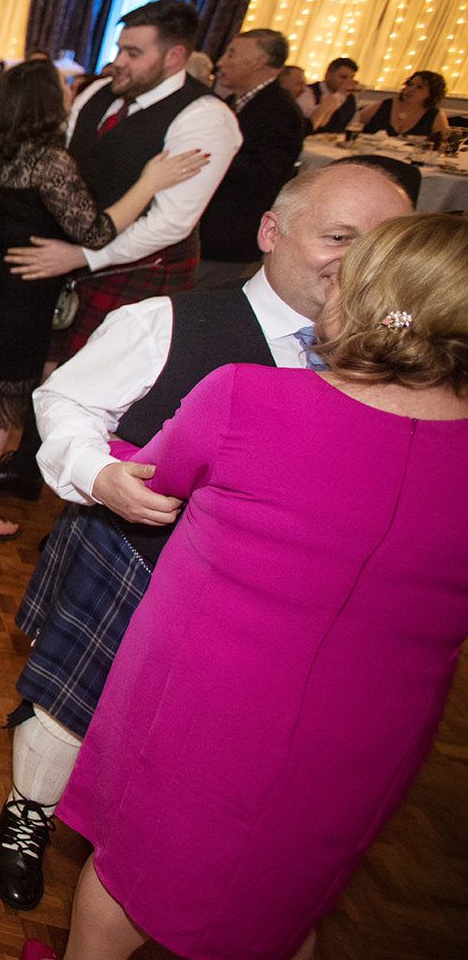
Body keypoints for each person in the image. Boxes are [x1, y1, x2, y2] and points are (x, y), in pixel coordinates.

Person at [0, 159, 412, 913]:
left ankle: (147, 830)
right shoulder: (167, 321)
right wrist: (99, 475)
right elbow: (66, 402)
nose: (358, 262)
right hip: (139, 556)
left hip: (277, 602)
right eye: (339, 236)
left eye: (380, 243)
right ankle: (30, 809)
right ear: (271, 232)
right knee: (75, 700)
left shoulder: (402, 366)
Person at [41, 211, 467, 960]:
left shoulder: (248, 397)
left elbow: (154, 477)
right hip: (372, 731)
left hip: (208, 699)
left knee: (129, 876)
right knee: (286, 898)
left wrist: (97, 456)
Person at [0, 61, 208, 546]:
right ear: (46, 105)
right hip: (16, 294)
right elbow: (94, 232)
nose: (73, 93)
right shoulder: (48, 161)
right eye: (64, 89)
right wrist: (149, 182)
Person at [0, 0, 242, 501]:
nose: (117, 62)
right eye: (119, 48)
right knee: (52, 365)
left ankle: (90, 497)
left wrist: (84, 257)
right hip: (76, 250)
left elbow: (170, 222)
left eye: (133, 53)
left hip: (142, 265)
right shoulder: (98, 93)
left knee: (108, 383)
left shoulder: (206, 118)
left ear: (174, 57)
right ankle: (31, 466)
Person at [196, 28, 309, 287]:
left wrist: (213, 150)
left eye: (232, 54)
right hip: (208, 230)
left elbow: (267, 175)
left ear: (260, 61)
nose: (221, 62)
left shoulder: (281, 111)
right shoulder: (234, 101)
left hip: (229, 238)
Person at [356, 69, 446, 137]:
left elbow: (442, 144)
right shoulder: (384, 105)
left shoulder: (434, 115)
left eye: (419, 87)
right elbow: (354, 122)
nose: (411, 89)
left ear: (431, 93)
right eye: (410, 84)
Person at [304, 56, 362, 132]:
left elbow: (351, 123)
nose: (347, 82)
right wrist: (339, 95)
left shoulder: (349, 97)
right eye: (343, 77)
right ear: (328, 76)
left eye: (351, 78)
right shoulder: (308, 92)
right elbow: (313, 125)